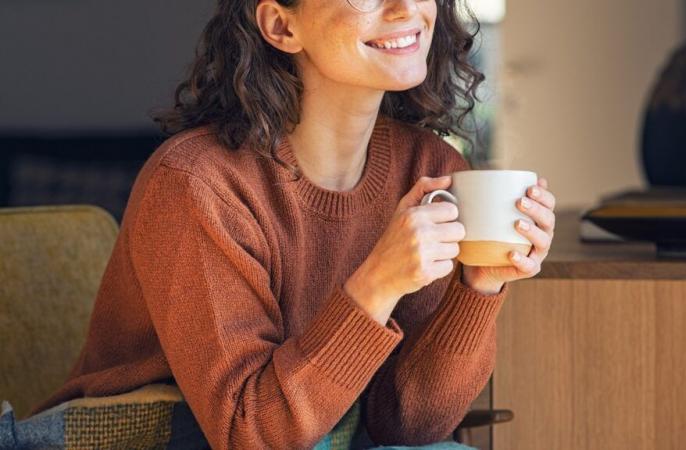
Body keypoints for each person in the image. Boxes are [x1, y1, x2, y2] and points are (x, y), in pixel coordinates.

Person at [30, 0, 557, 448]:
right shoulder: (196, 183)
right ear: (282, 26)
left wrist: (478, 287)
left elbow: (405, 425)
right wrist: (377, 284)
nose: (406, 9)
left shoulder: (431, 170)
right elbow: (247, 433)